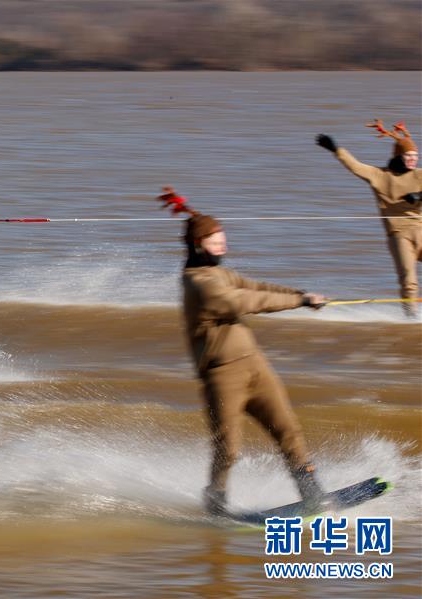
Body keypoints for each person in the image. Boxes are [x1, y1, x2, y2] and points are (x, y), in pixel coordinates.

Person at [181, 211, 328, 516]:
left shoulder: (221, 274)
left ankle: (311, 492)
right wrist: (298, 303)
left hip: (256, 367)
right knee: (228, 449)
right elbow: (245, 302)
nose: (223, 245)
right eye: (215, 240)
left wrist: (302, 295)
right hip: (222, 375)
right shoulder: (198, 283)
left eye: (223, 238)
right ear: (198, 244)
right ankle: (216, 501)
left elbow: (258, 288)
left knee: (288, 430)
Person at [316, 120, 422, 318]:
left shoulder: (420, 175)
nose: (413, 160)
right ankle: (412, 318)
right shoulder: (379, 175)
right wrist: (336, 149)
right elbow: (355, 166)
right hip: (399, 236)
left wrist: (419, 196)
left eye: (416, 156)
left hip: (421, 231)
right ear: (399, 156)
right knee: (409, 280)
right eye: (409, 156)